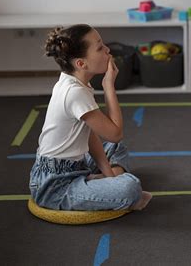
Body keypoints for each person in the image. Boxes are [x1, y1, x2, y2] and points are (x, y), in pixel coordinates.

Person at [29, 24, 152, 211]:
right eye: (100, 47)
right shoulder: (75, 92)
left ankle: (100, 181)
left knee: (116, 149)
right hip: (55, 186)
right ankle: (101, 184)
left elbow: (89, 134)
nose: (108, 50)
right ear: (81, 63)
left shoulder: (72, 81)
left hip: (73, 167)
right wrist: (109, 86)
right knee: (130, 187)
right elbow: (115, 133)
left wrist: (109, 175)